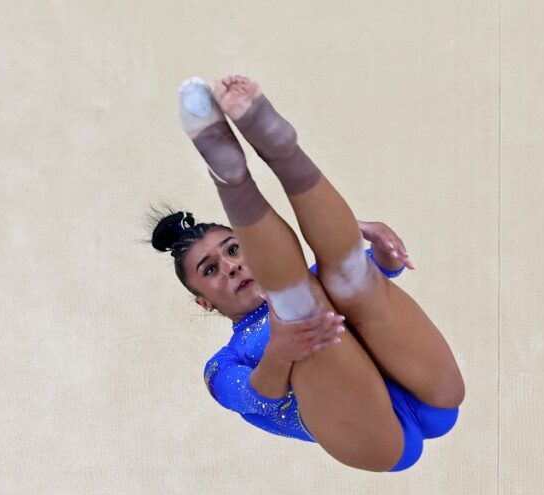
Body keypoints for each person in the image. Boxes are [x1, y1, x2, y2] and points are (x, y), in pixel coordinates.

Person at [150, 75, 464, 472]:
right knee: (300, 306)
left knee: (350, 274)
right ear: (204, 301)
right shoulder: (224, 364)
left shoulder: (319, 277)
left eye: (234, 249)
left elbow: (384, 276)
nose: (231, 265)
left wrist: (384, 256)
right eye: (211, 269)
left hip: (432, 387)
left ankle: (279, 146)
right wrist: (281, 352)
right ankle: (230, 177)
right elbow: (254, 397)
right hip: (374, 440)